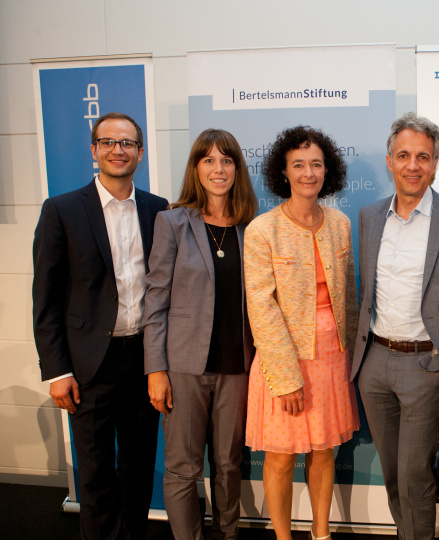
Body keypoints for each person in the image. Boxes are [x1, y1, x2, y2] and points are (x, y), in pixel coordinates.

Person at [351, 112, 439, 540]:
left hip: (427, 366)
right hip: (374, 363)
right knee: (392, 474)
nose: (414, 165)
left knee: (415, 476)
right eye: (405, 155)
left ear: (435, 163)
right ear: (390, 161)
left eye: (424, 157)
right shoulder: (370, 216)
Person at [32, 112, 168, 539]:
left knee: (138, 467)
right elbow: (46, 299)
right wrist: (57, 371)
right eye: (107, 142)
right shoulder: (62, 210)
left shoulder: (157, 209)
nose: (117, 150)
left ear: (140, 153)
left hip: (144, 360)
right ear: (94, 151)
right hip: (89, 364)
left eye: (126, 143)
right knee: (93, 474)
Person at [244, 126, 359, 540]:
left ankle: (321, 533)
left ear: (328, 170)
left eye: (316, 164)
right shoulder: (263, 231)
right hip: (283, 360)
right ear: (284, 172)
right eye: (298, 165)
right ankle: (282, 536)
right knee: (279, 458)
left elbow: (349, 295)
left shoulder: (341, 224)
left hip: (332, 358)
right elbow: (261, 307)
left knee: (324, 451)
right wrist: (286, 377)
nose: (308, 173)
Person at [143, 128, 258, 540]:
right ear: (196, 168)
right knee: (183, 467)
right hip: (183, 369)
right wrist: (156, 370)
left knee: (228, 464)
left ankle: (227, 534)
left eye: (226, 160)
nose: (218, 168)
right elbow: (154, 301)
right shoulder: (172, 222)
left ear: (237, 169)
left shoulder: (252, 228)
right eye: (208, 160)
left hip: (236, 368)